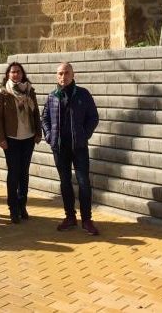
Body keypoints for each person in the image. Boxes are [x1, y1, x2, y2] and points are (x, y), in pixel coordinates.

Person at [42, 62, 100, 236]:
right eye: (60, 73)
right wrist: (49, 136)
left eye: (66, 73)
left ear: (73, 75)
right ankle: (70, 217)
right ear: (56, 76)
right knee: (65, 183)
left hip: (79, 147)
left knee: (84, 183)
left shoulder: (83, 94)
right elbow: (44, 118)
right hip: (60, 148)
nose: (63, 76)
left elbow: (93, 117)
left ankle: (87, 219)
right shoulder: (53, 96)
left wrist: (84, 134)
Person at [0, 62, 41, 224]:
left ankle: (22, 205)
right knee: (13, 173)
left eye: (18, 72)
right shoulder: (3, 93)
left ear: (22, 74)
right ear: (8, 74)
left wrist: (38, 132)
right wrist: (1, 138)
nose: (16, 74)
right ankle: (13, 208)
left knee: (24, 173)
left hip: (28, 138)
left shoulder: (30, 91)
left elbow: (36, 113)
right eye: (13, 72)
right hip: (11, 139)